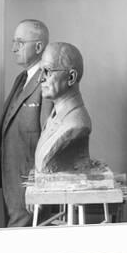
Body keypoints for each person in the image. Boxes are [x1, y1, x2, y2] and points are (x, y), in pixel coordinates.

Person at [0, 19, 53, 227]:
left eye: (20, 42)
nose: (13, 48)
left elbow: (48, 136)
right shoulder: (21, 78)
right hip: (12, 174)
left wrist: (39, 182)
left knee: (22, 233)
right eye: (13, 41)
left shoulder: (47, 80)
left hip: (29, 177)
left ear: (38, 46)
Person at [34, 42, 92, 174]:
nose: (40, 79)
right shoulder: (54, 116)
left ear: (71, 77)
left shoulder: (76, 125)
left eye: (47, 71)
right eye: (40, 71)